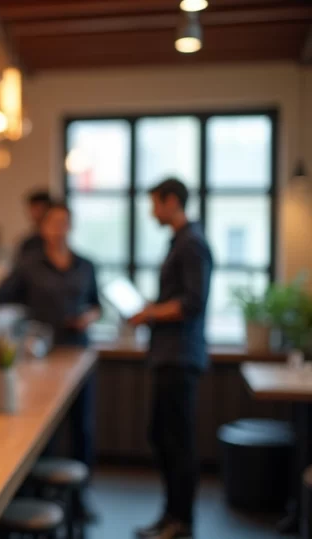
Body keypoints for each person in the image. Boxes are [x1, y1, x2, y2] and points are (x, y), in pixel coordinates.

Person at [0, 202, 102, 516]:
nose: (59, 228)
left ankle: (80, 499)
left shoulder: (86, 264)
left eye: (64, 222)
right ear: (43, 228)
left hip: (77, 352)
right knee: (45, 430)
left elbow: (97, 305)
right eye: (53, 222)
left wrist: (88, 317)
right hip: (41, 356)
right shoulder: (29, 265)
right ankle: (43, 496)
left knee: (82, 427)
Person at [129, 178, 212, 539]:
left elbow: (192, 303)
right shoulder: (182, 243)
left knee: (177, 442)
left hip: (179, 358)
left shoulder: (192, 245)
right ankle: (170, 516)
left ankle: (180, 521)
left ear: (172, 202)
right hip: (169, 356)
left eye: (155, 203)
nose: (152, 212)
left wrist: (150, 313)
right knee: (162, 438)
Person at [15, 189, 52, 263]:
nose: (35, 214)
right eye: (33, 210)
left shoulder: (56, 241)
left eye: (39, 209)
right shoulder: (29, 243)